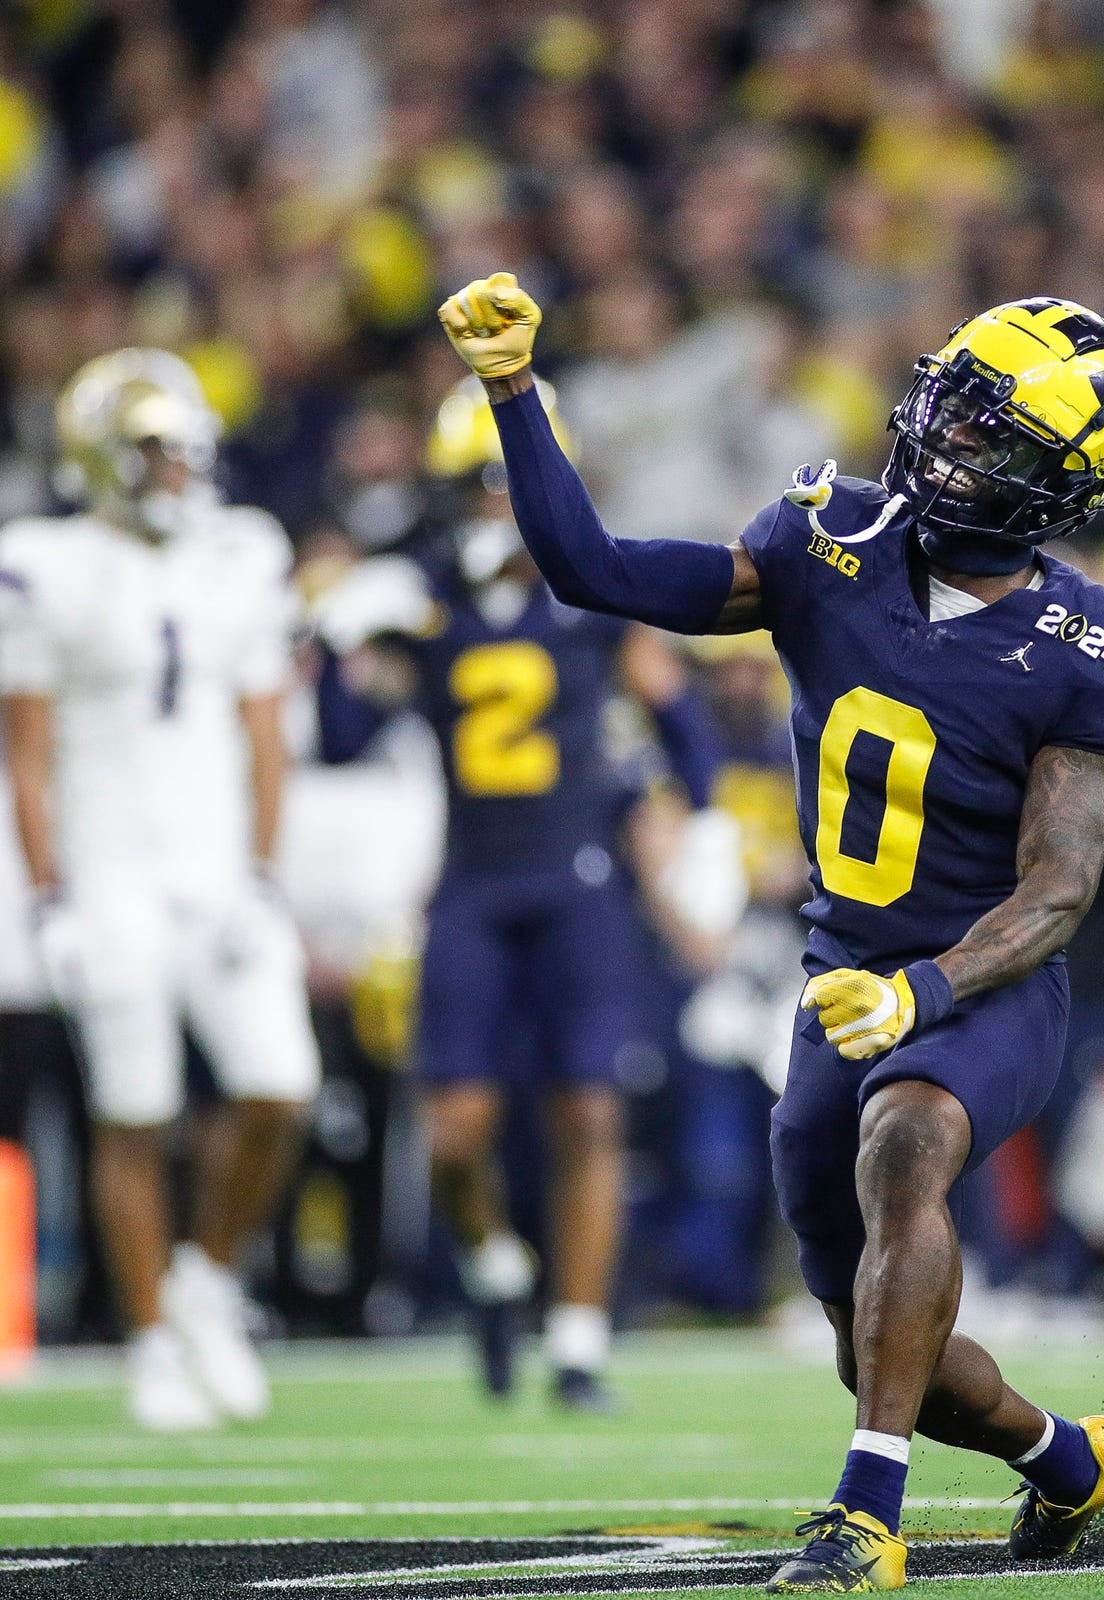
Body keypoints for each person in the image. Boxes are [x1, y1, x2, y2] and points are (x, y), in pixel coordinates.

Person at [436, 275, 1104, 1593]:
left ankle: (862, 1517)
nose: (944, 440)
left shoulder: (1090, 643)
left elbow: (1058, 890)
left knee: (910, 1147)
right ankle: (1071, 1462)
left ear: (1056, 485)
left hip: (984, 983)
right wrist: (513, 395)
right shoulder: (828, 539)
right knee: (883, 1350)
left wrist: (928, 997)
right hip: (842, 978)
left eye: (989, 433)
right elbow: (591, 570)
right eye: (953, 403)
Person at [309, 379, 721, 1412]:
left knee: (588, 1111)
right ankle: (494, 1268)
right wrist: (346, 650)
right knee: (453, 1132)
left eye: (508, 481)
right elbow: (343, 739)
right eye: (475, 484)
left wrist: (674, 807)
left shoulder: (588, 595)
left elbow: (687, 740)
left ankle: (578, 1344)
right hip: (471, 884)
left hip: (579, 880)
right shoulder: (421, 597)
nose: (495, 502)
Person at [0, 349, 320, 1431]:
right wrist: (47, 897)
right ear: (99, 454)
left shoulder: (241, 551)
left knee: (281, 1087)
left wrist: (267, 874)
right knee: (133, 1111)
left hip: (219, 866)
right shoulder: (44, 563)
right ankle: (147, 1341)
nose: (173, 468)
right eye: (150, 448)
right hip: (110, 870)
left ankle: (204, 1277)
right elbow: (27, 754)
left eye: (181, 447)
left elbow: (265, 731)